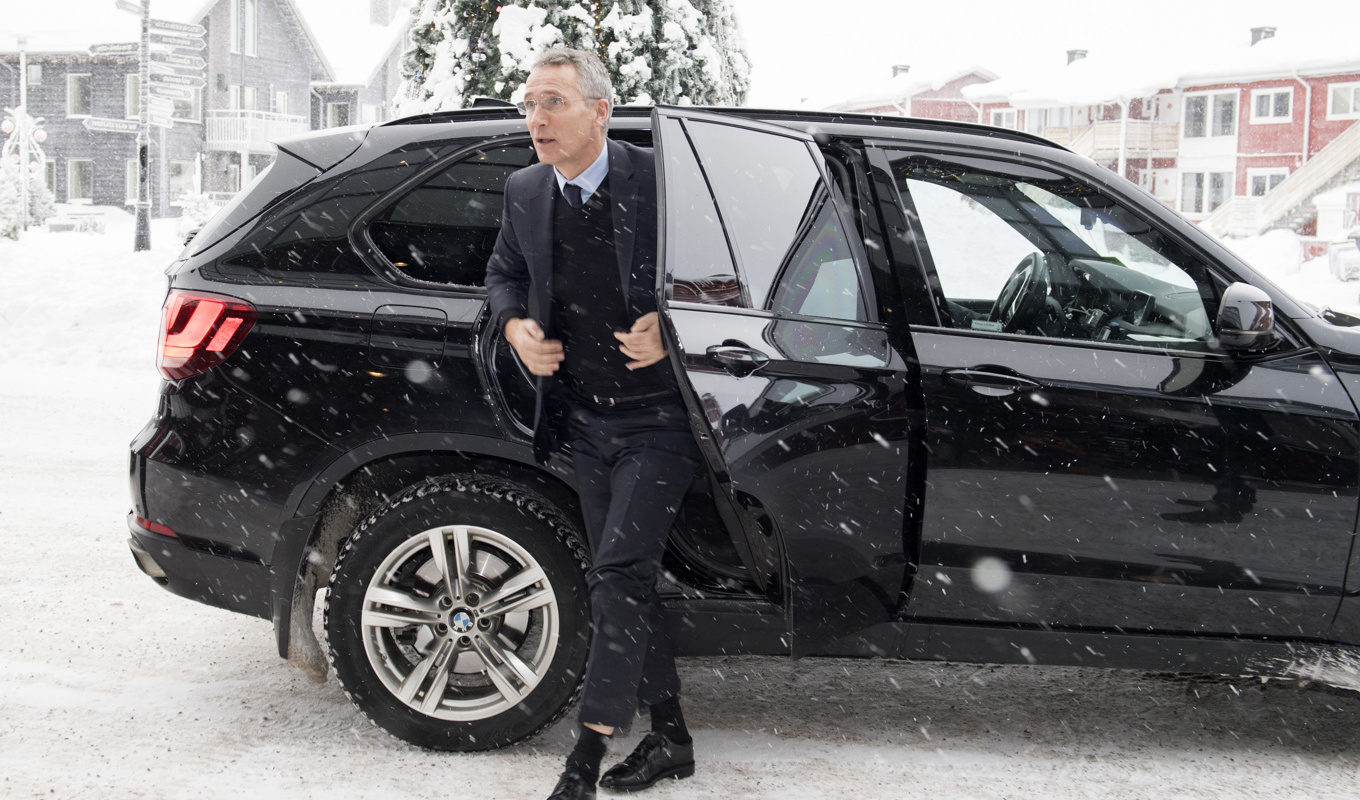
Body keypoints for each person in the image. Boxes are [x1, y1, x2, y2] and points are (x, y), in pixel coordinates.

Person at [484, 47, 701, 800]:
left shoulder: (662, 179)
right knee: (627, 580)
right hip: (580, 420)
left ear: (601, 111)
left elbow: (730, 277)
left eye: (554, 103)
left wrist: (671, 330)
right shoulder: (524, 190)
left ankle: (583, 759)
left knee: (617, 574)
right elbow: (503, 275)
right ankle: (670, 737)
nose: (536, 119)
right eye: (529, 104)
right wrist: (515, 328)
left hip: (661, 420)